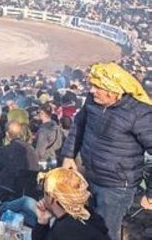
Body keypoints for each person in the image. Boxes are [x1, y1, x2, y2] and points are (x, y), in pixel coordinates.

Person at [60, 63, 152, 240]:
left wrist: (150, 194)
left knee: (107, 232)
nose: (92, 90)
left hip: (116, 187)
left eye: (97, 86)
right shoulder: (92, 101)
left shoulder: (140, 113)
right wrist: (69, 155)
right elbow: (79, 122)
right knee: (90, 226)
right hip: (90, 176)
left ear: (113, 90)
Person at [32, 167, 110, 240]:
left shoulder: (64, 230)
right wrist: (42, 221)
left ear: (52, 198)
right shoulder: (86, 215)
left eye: (45, 193)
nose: (43, 198)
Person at [34, 104, 63, 169]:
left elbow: (40, 151)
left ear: (43, 113)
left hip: (44, 161)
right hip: (54, 159)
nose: (37, 114)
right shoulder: (57, 127)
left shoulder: (44, 130)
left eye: (38, 112)